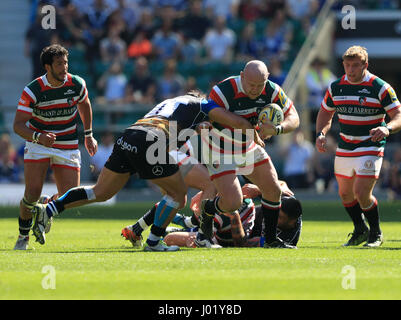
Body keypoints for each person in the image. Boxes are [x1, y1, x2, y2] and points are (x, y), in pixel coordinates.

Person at [30, 90, 258, 251]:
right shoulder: (203, 105)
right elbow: (228, 120)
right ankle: (154, 242)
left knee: (100, 192)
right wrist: (251, 128)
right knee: (178, 196)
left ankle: (49, 209)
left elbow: (182, 130)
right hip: (151, 140)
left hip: (130, 134)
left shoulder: (175, 104)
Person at [199, 60, 300, 248]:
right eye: (251, 85)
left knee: (273, 189)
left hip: (247, 146)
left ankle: (270, 240)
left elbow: (294, 117)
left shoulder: (272, 90)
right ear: (242, 76)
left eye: (259, 85)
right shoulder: (225, 89)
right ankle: (208, 208)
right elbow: (211, 112)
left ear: (267, 78)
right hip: (219, 148)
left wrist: (277, 129)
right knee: (232, 203)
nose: (255, 90)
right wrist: (245, 124)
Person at [13, 44, 98, 250]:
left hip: (67, 143)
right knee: (31, 193)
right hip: (38, 143)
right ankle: (23, 237)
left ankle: (46, 206)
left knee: (71, 196)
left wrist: (88, 135)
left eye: (66, 63)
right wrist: (38, 137)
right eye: (59, 64)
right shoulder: (33, 90)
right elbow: (17, 125)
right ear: (47, 67)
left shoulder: (76, 83)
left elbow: (84, 105)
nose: (64, 68)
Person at [315, 45, 401, 248]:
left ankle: (376, 234)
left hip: (370, 146)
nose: (350, 70)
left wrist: (387, 128)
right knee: (345, 194)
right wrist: (320, 133)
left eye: (355, 65)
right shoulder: (336, 87)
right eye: (347, 65)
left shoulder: (380, 87)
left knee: (362, 192)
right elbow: (326, 113)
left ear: (365, 65)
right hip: (346, 146)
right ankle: (360, 229)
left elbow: (398, 115)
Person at [162, 180, 302, 248]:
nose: (274, 217)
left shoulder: (286, 239)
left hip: (241, 231)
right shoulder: (287, 200)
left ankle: (190, 227)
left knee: (170, 238)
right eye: (276, 212)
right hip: (246, 213)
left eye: (280, 218)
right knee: (226, 205)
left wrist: (235, 219)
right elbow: (281, 184)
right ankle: (190, 224)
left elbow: (243, 243)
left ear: (292, 222)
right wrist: (259, 190)